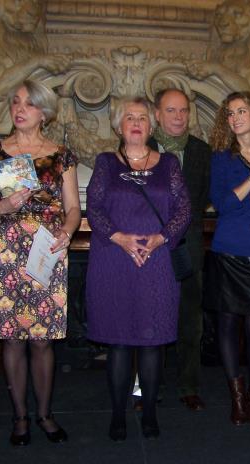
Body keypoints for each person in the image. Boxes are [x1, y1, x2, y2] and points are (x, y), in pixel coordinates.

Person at [0, 80, 81, 447]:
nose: (20, 108)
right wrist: (3, 206)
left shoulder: (62, 154)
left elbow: (73, 209)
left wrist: (67, 234)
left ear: (44, 112)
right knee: (12, 341)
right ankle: (20, 415)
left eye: (29, 103)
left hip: (46, 249)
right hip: (5, 248)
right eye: (16, 102)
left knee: (41, 341)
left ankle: (45, 414)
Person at [86, 96, 191, 441]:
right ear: (118, 125)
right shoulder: (105, 163)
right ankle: (117, 414)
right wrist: (121, 238)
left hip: (156, 262)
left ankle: (149, 413)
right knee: (118, 343)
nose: (136, 122)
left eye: (142, 117)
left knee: (151, 342)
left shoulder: (169, 163)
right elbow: (95, 208)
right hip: (114, 260)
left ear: (151, 125)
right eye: (129, 117)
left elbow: (183, 210)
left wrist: (160, 239)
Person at [203, 91, 250, 425]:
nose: (236, 117)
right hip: (227, 248)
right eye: (230, 113)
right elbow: (223, 205)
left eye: (242, 110)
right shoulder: (222, 157)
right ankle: (237, 397)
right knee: (227, 328)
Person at [148, 88, 211, 411]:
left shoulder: (202, 152)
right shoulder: (138, 149)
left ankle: (189, 386)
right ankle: (147, 387)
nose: (178, 117)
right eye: (171, 110)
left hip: (189, 248)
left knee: (190, 322)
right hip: (151, 250)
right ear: (157, 114)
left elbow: (205, 201)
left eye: (183, 110)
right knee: (149, 319)